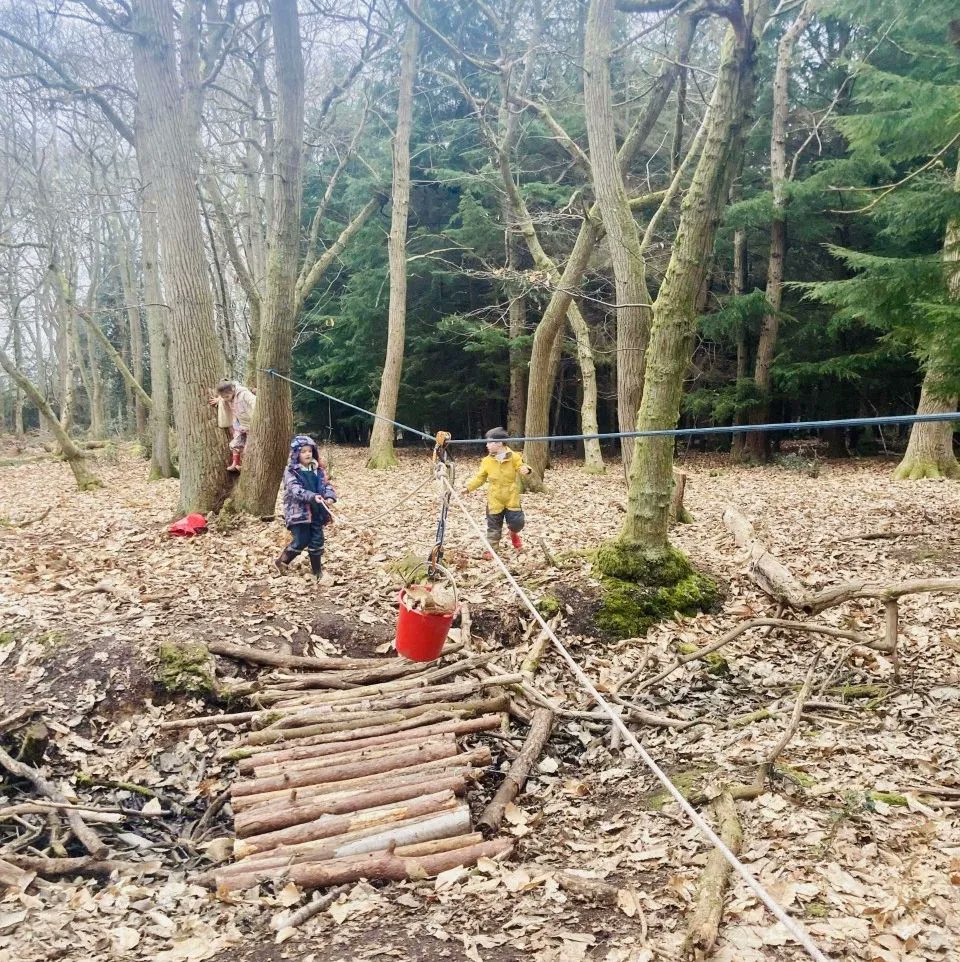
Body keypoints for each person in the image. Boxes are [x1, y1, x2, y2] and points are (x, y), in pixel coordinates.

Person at [463, 426, 532, 558]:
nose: (487, 445)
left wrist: (526, 470)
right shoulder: (487, 461)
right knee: (494, 527)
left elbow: (522, 466)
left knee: (517, 523)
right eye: (487, 442)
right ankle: (492, 550)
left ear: (500, 443)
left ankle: (513, 533)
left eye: (490, 442)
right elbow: (480, 478)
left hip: (511, 497)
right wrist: (468, 488)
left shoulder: (515, 457)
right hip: (494, 499)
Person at [276, 434, 337, 582]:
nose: (307, 454)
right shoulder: (291, 471)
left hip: (317, 511)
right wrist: (311, 496)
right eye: (303, 451)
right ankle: (282, 561)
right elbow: (295, 490)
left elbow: (326, 485)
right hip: (299, 513)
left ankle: (317, 571)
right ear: (296, 454)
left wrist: (329, 496)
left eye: (309, 451)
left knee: (317, 539)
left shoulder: (318, 469)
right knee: (302, 539)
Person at [209, 380, 256, 472]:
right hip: (239, 424)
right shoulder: (226, 397)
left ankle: (245, 465)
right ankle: (235, 463)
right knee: (235, 444)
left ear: (233, 390)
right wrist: (219, 399)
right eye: (223, 397)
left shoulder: (244, 394)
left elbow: (254, 402)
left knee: (248, 448)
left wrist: (256, 417)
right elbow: (223, 398)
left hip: (250, 424)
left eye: (227, 396)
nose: (226, 399)